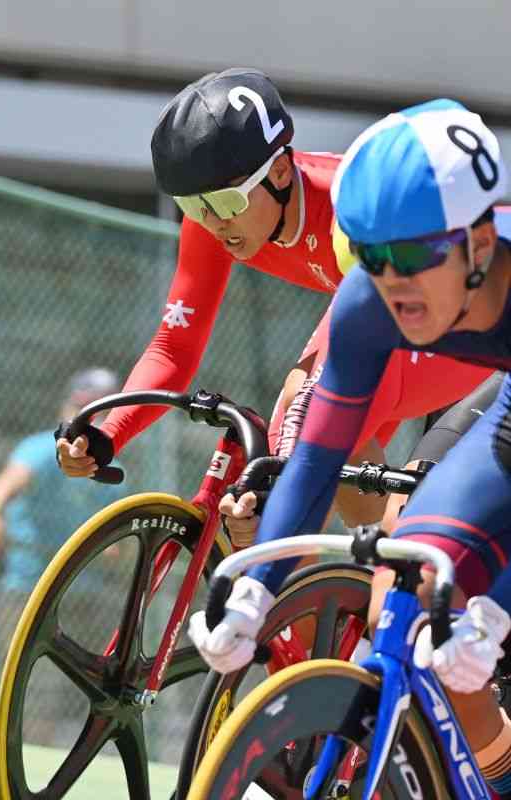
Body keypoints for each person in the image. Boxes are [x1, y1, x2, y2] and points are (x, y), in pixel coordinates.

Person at [189, 99, 511, 797]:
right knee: (405, 594)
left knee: (471, 611)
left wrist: (494, 607)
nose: (391, 281)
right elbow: (315, 459)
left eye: (413, 256)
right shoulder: (369, 304)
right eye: (370, 256)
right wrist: (254, 591)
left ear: (480, 246)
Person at [56, 68, 494, 535]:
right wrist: (109, 431)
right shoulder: (213, 218)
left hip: (474, 336)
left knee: (302, 413)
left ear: (280, 171)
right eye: (192, 207)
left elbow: (338, 368)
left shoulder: (348, 210)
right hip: (398, 336)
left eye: (225, 203)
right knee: (311, 520)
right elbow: (172, 348)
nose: (212, 222)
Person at [0, 367, 126, 645]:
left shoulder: (113, 469)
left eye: (97, 411)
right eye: (83, 408)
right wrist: (5, 545)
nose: (90, 419)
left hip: (83, 594)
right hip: (31, 590)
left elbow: (117, 546)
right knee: (29, 681)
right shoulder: (41, 450)